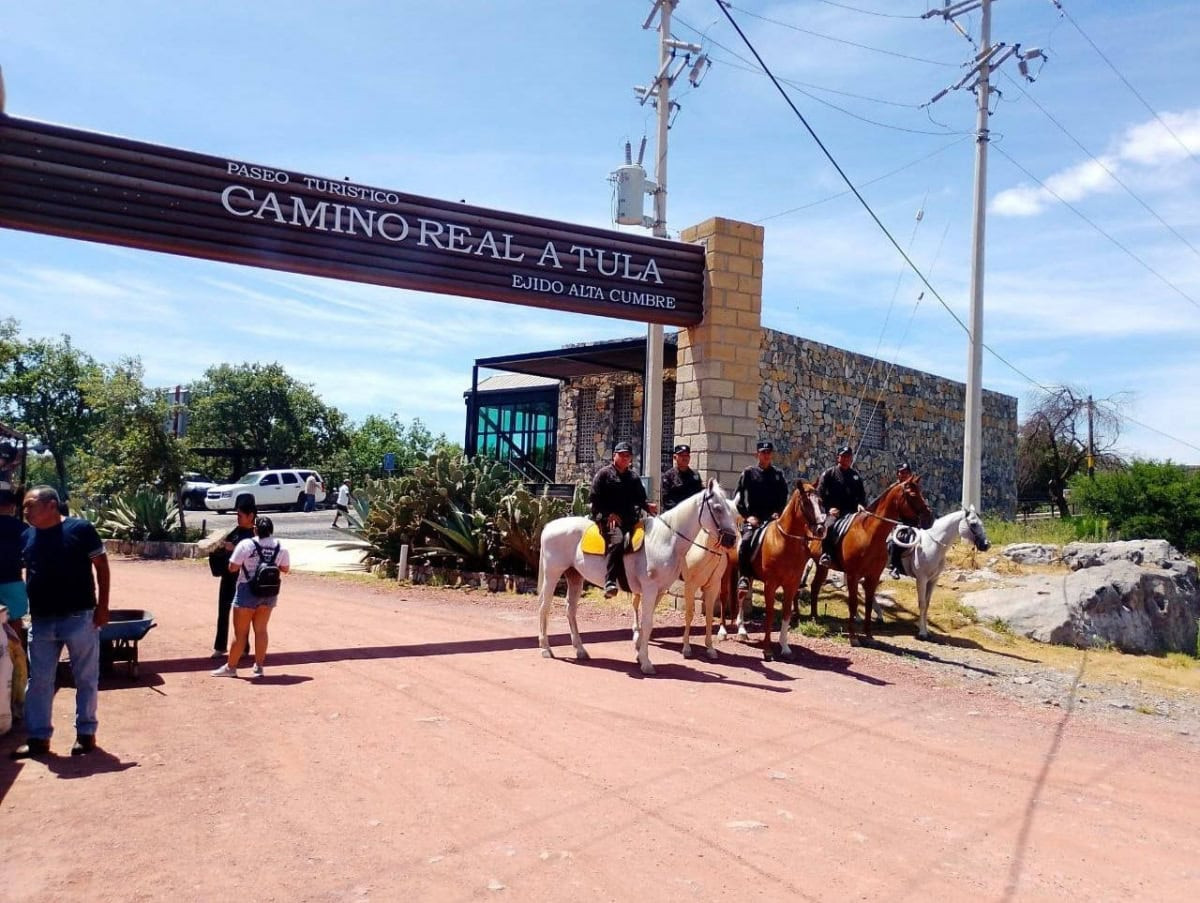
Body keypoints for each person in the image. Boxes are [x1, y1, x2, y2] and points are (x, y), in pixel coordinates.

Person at [10, 486, 109, 759]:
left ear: (51, 505)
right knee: (39, 681)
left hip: (79, 617)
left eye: (30, 504)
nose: (25, 510)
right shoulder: (27, 536)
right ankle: (38, 739)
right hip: (41, 621)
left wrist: (103, 607)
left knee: (85, 678)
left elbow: (101, 566)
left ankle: (86, 734)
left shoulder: (80, 530)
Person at [212, 515, 290, 680]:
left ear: (255, 530)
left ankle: (231, 667)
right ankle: (259, 667)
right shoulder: (280, 547)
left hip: (247, 590)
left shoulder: (247, 544)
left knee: (240, 633)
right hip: (269, 592)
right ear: (271, 530)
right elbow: (285, 568)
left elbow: (233, 568)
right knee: (261, 630)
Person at [589, 440, 657, 598]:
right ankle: (610, 581)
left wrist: (648, 506)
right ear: (614, 456)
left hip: (631, 520)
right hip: (610, 521)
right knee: (618, 541)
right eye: (622, 455)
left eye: (628, 456)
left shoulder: (633, 477)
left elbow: (640, 499)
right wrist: (607, 515)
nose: (626, 458)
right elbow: (594, 501)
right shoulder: (603, 475)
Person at [733, 440, 789, 602]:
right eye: (763, 452)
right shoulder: (748, 473)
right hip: (754, 519)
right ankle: (744, 577)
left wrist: (778, 513)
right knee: (745, 542)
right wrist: (747, 516)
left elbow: (783, 497)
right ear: (757, 454)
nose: (766, 455)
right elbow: (739, 500)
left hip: (773, 520)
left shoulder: (778, 475)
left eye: (769, 452)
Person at [210, 495, 257, 659]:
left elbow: (253, 551)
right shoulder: (236, 531)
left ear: (250, 516)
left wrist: (234, 548)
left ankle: (244, 647)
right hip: (229, 577)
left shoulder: (255, 533)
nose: (238, 518)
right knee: (223, 612)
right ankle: (220, 646)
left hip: (245, 580)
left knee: (244, 615)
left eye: (240, 515)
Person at [817, 445, 868, 567]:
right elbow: (820, 494)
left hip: (852, 513)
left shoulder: (855, 476)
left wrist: (861, 505)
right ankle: (826, 554)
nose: (846, 459)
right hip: (834, 512)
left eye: (848, 457)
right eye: (843, 456)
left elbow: (862, 495)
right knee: (829, 526)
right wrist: (829, 508)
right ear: (838, 458)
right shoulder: (829, 474)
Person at [0, 488, 29, 649]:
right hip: (13, 581)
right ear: (12, 506)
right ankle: (17, 660)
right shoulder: (22, 528)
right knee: (15, 621)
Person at [887, 463, 916, 579]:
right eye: (901, 473)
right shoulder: (893, 489)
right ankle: (895, 566)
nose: (903, 475)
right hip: (898, 522)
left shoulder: (914, 488)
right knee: (897, 541)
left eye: (905, 473)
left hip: (914, 522)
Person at [660, 443, 703, 512]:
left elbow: (700, 495)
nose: (684, 458)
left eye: (686, 455)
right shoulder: (668, 476)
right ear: (674, 457)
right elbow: (667, 500)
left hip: (692, 514)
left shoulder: (695, 475)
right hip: (674, 515)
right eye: (681, 455)